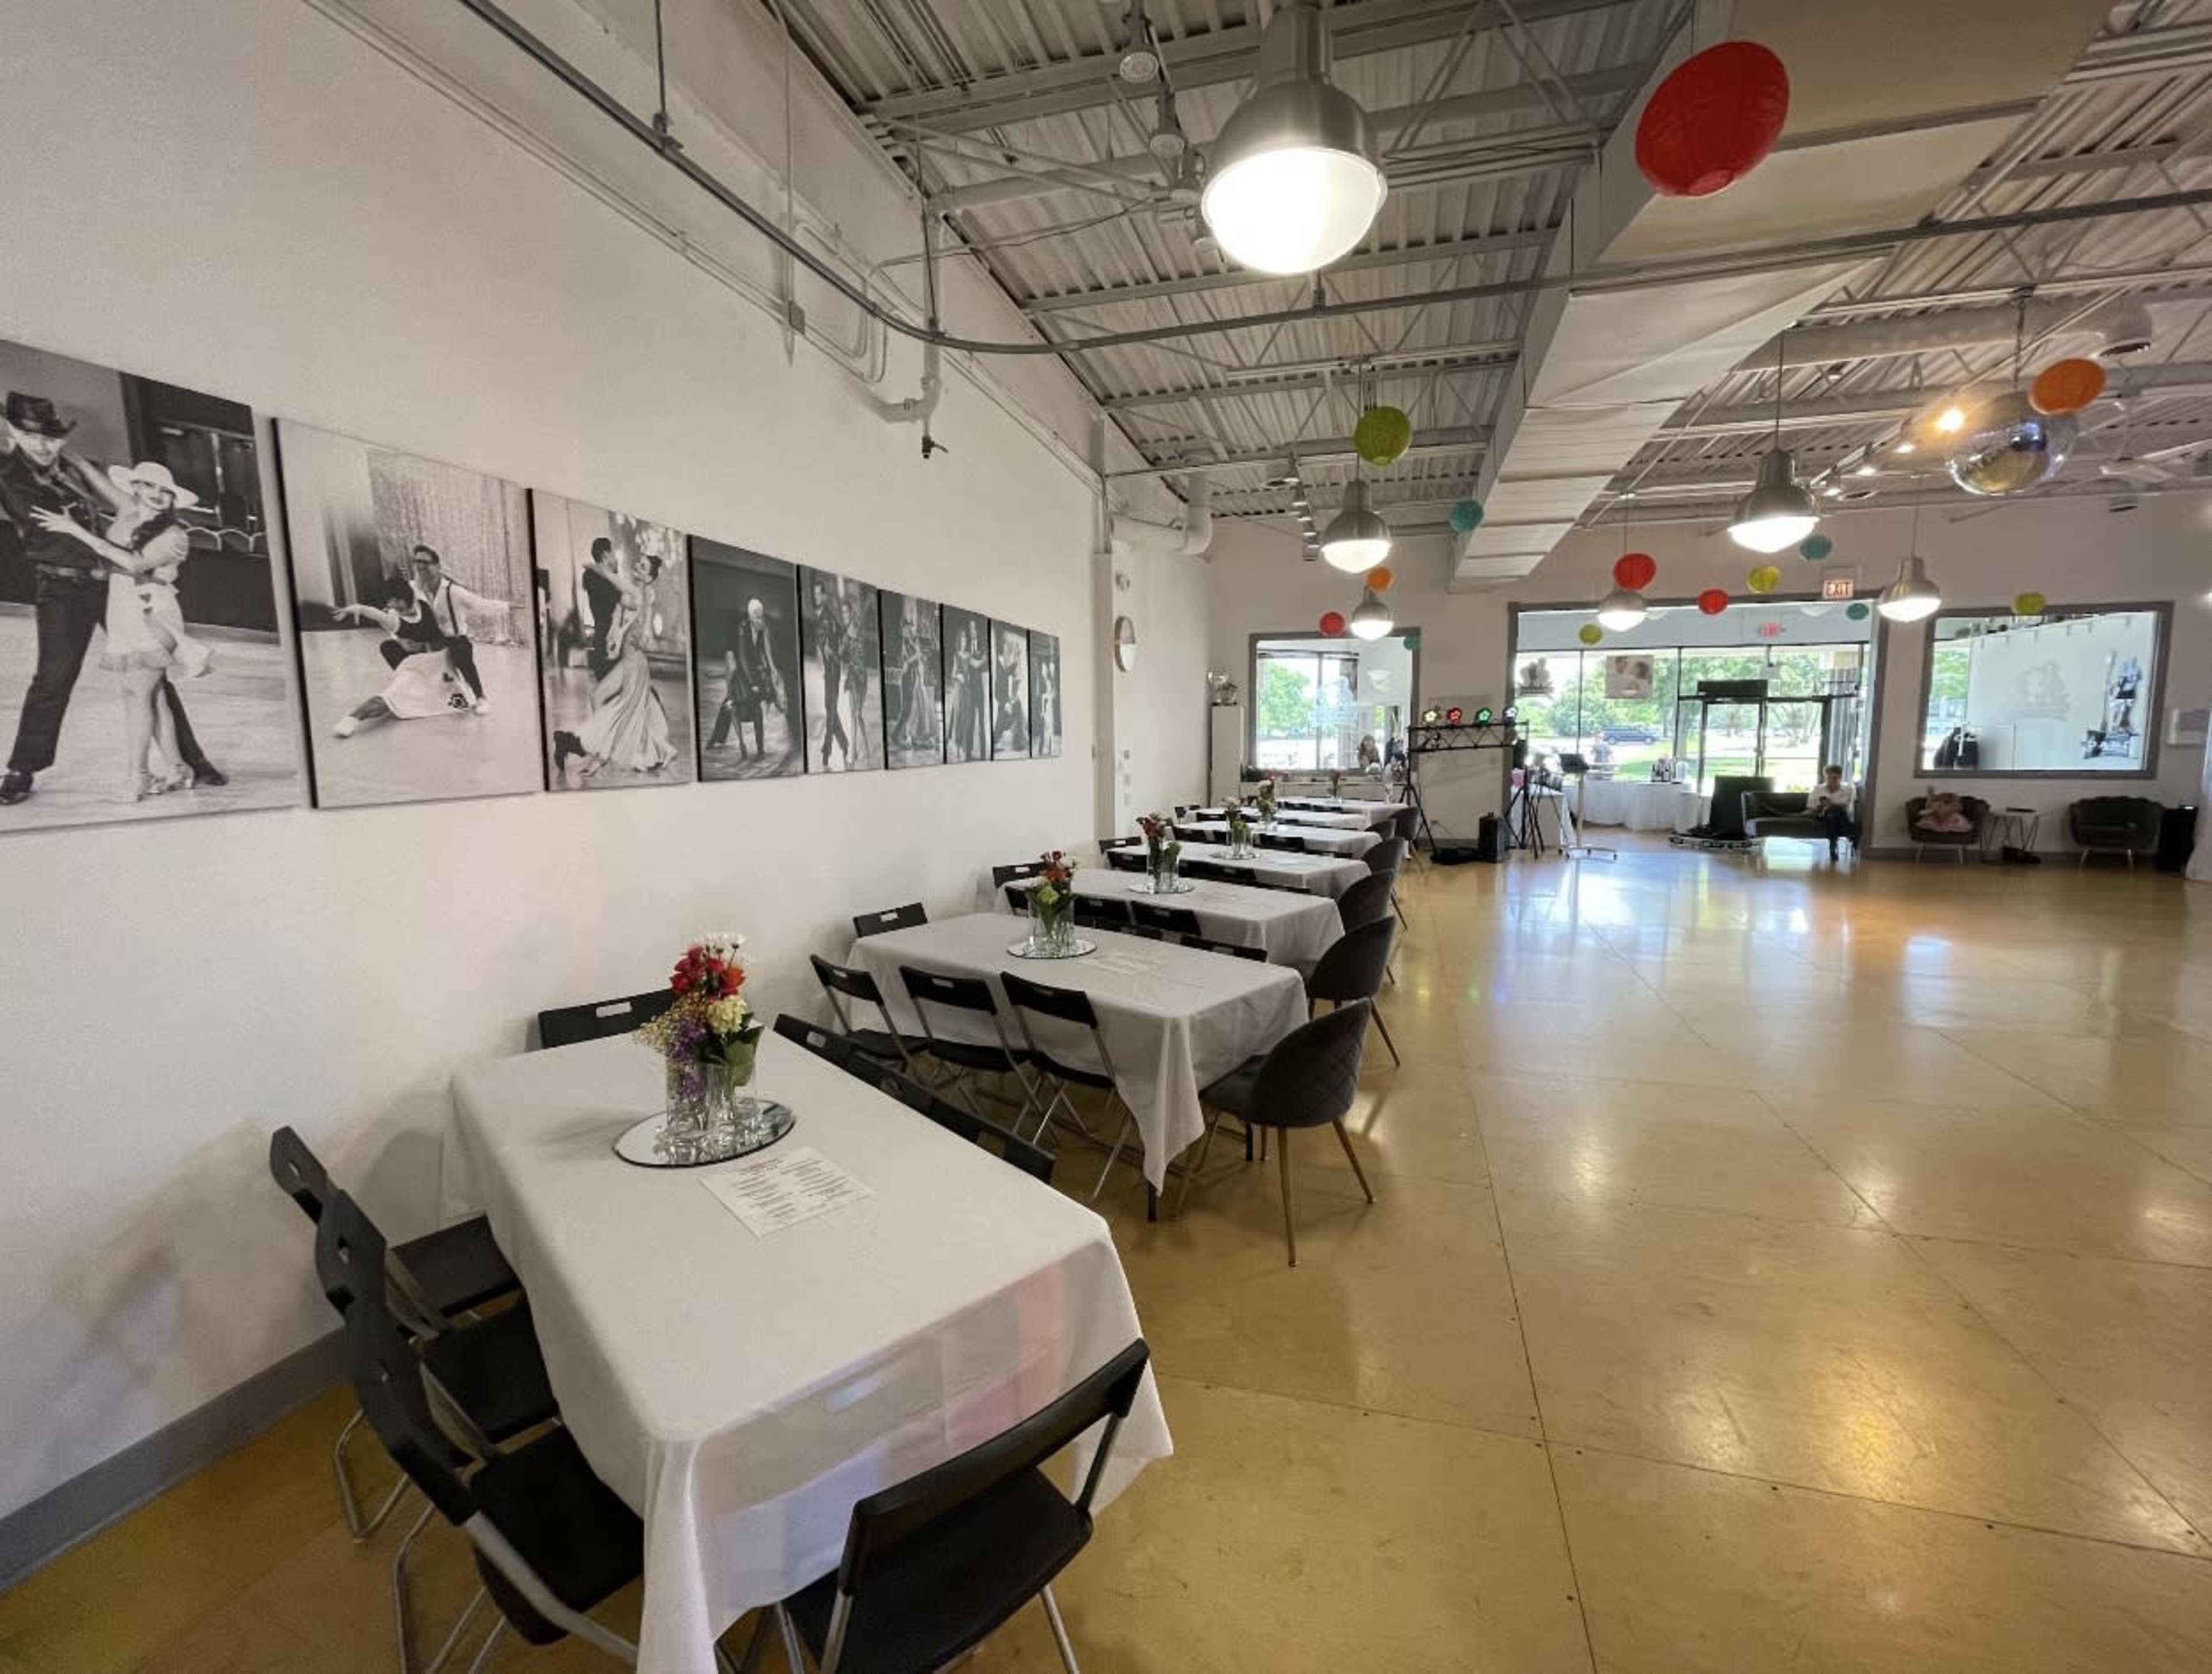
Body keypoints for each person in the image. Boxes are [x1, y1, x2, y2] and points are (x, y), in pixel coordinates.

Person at [0, 393, 224, 806]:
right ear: (12, 433)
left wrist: (84, 468)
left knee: (152, 676)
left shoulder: (73, 470)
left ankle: (191, 761)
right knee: (53, 678)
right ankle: (22, 769)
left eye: (50, 436)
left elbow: (125, 508)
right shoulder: (7, 474)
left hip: (116, 585)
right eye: (30, 435)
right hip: (63, 587)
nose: (42, 445)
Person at [552, 552, 677, 778]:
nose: (637, 567)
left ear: (649, 577)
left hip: (634, 663)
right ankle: (662, 751)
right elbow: (625, 620)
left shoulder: (638, 592)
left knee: (618, 709)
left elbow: (610, 577)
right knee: (621, 708)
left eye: (643, 567)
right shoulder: (641, 593)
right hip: (631, 660)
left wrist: (592, 565)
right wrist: (616, 639)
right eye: (638, 563)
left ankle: (596, 756)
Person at [406, 545, 506, 715]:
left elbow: (481, 604)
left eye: (425, 562)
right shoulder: (413, 589)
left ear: (437, 566)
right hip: (430, 642)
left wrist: (508, 606)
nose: (420, 566)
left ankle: (481, 697)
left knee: (462, 655)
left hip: (455, 641)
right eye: (417, 562)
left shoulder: (454, 591)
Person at [579, 537, 623, 678]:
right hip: (607, 636)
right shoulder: (600, 576)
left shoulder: (591, 574)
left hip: (603, 633)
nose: (615, 557)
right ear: (605, 555)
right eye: (613, 553)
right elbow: (615, 598)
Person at [1809, 763, 1857, 861]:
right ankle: (1846, 835)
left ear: (1840, 777)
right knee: (1834, 811)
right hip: (1822, 814)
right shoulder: (1818, 789)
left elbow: (1845, 803)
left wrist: (1831, 803)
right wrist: (1822, 805)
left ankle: (1833, 847)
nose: (1831, 780)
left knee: (1835, 813)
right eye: (1828, 777)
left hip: (1837, 815)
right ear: (1825, 777)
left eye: (1834, 778)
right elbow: (1811, 805)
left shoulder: (1848, 790)